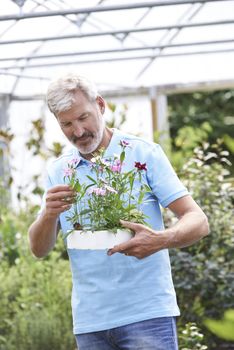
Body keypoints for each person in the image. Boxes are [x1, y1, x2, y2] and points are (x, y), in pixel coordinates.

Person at [28, 73, 209, 350]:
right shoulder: (59, 171)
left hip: (147, 315)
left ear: (100, 105)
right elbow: (39, 249)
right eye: (66, 124)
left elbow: (198, 220)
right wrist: (49, 215)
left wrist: (160, 240)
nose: (78, 131)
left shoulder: (142, 154)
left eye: (83, 117)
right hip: (91, 323)